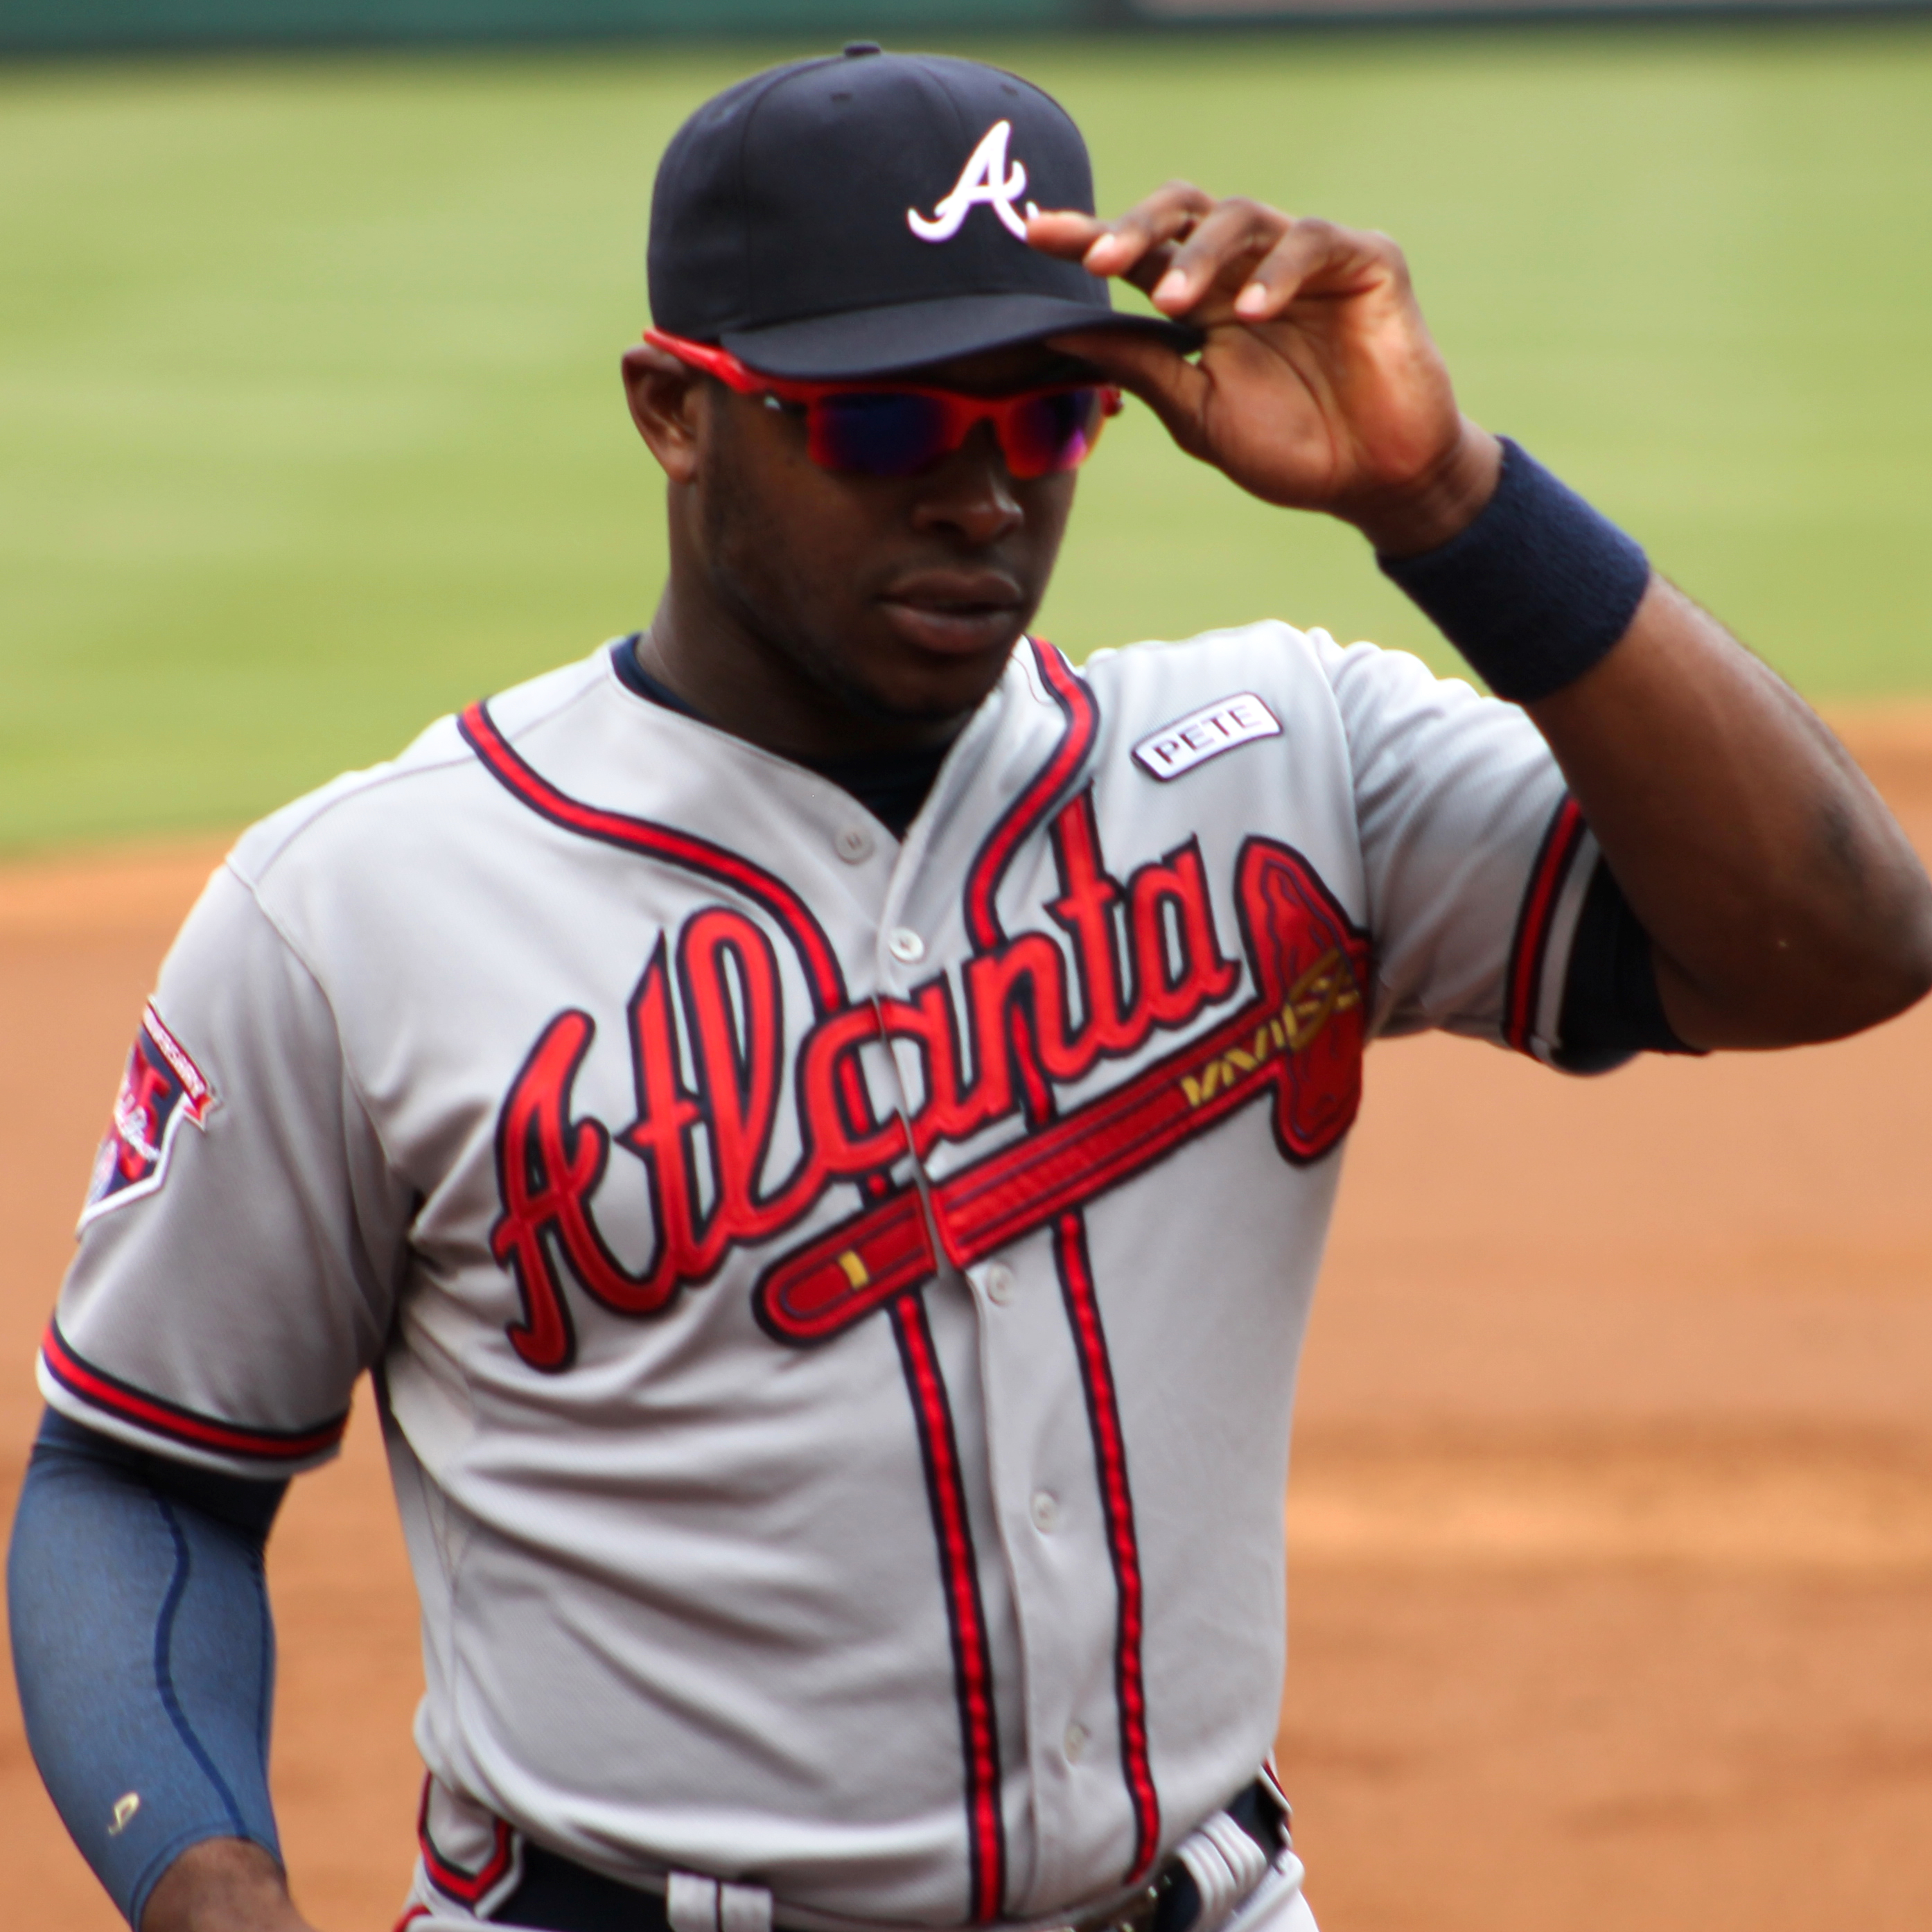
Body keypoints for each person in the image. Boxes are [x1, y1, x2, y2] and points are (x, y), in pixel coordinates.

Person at [10, 43, 1931, 1932]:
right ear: (673, 410)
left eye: (1042, 413)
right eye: (880, 423)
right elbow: (140, 1470)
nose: (979, 492)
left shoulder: (1290, 757)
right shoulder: (360, 906)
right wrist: (216, 1898)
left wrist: (1439, 495)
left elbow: (1836, 940)